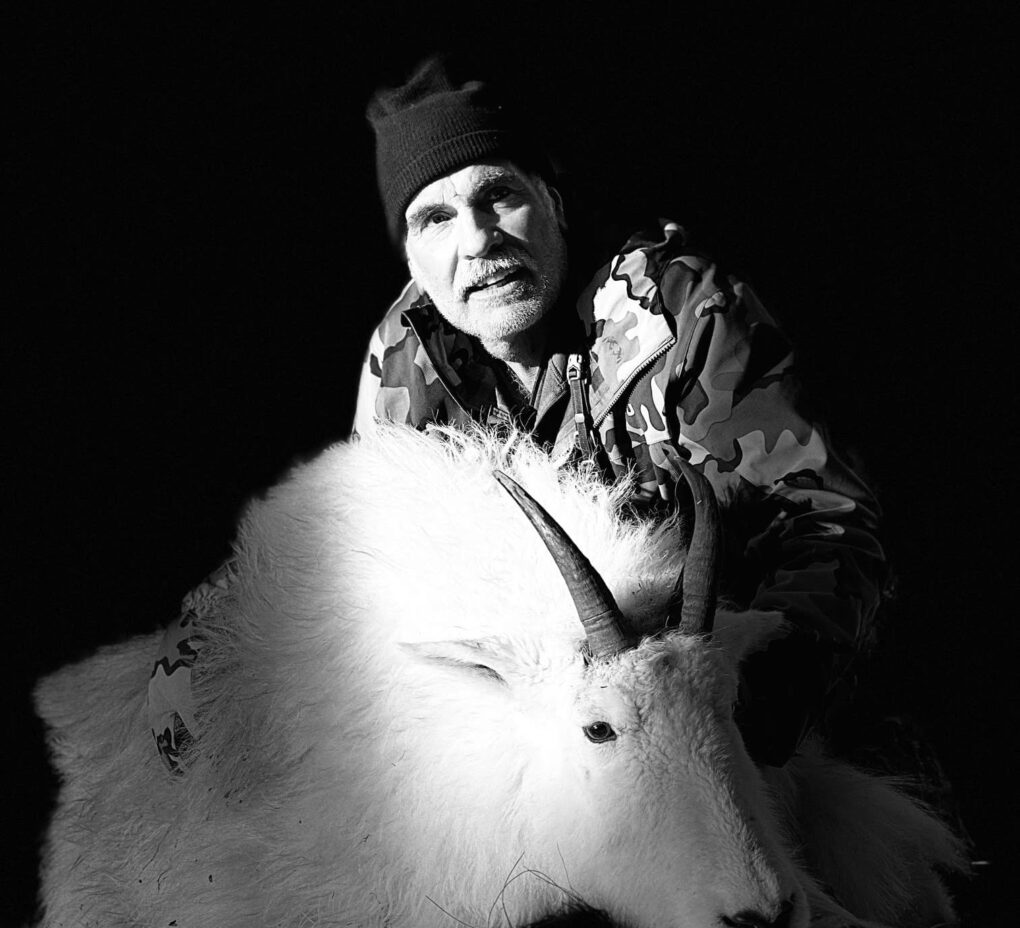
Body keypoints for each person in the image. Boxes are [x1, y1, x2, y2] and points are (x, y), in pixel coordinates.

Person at [149, 56, 885, 775]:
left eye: (498, 196)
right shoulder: (408, 354)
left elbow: (830, 525)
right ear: (410, 260)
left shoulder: (681, 313)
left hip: (737, 717)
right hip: (560, 742)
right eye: (434, 218)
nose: (477, 241)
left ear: (554, 200)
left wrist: (747, 696)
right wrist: (190, 662)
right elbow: (351, 565)